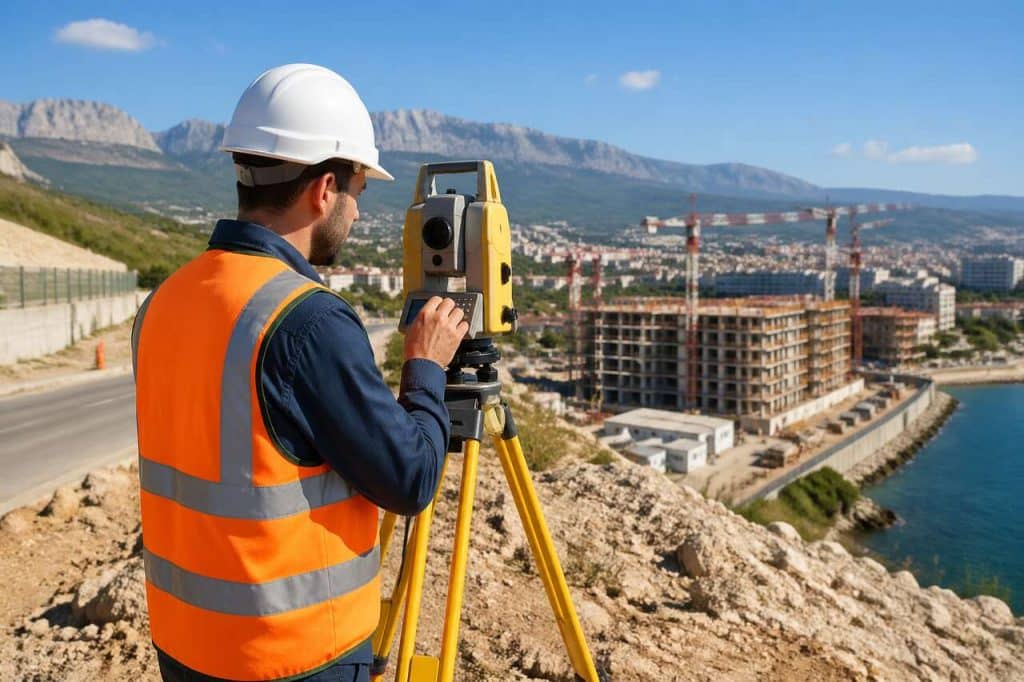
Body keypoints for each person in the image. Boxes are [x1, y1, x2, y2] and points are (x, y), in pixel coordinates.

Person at [131, 64, 467, 682]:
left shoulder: (163, 303)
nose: (358, 215)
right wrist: (424, 369)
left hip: (185, 642)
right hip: (290, 653)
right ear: (324, 189)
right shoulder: (305, 320)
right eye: (358, 194)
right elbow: (411, 479)